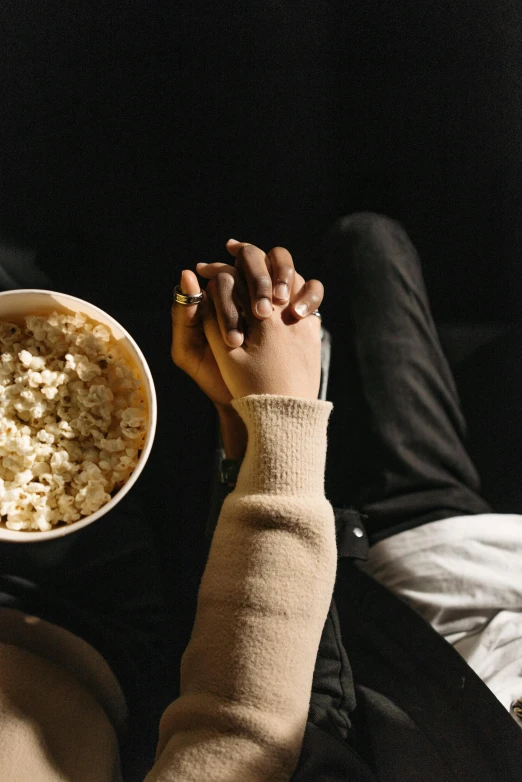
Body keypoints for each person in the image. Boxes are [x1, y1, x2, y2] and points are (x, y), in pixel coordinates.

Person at [0, 215, 521, 781]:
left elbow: (268, 741)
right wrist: (258, 425)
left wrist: (273, 426)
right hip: (471, 542)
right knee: (370, 242)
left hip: (112, 651)